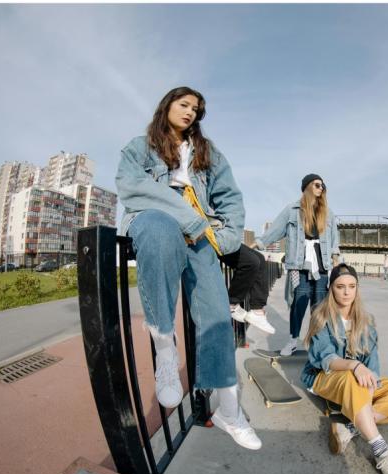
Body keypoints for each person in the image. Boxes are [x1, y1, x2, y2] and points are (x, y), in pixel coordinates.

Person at [115, 86, 261, 450]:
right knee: (161, 233)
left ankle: (228, 409)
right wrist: (189, 219)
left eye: (196, 109)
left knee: (214, 311)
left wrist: (224, 239)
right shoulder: (139, 146)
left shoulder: (209, 154)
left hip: (201, 230)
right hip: (153, 218)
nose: (190, 112)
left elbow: (231, 197)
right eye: (184, 105)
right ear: (167, 105)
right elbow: (132, 187)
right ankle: (165, 347)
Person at [302, 264, 388, 474]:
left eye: (352, 286)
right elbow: (326, 359)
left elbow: (372, 365)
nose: (346, 292)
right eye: (340, 286)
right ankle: (382, 451)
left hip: (354, 381)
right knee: (351, 378)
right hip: (322, 377)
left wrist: (371, 383)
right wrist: (354, 365)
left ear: (357, 289)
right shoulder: (321, 316)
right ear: (331, 289)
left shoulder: (367, 321)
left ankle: (352, 425)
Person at [257, 173, 341, 356]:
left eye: (323, 186)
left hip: (322, 267)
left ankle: (317, 344)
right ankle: (293, 340)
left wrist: (335, 260)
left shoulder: (328, 212)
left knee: (319, 308)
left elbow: (335, 240)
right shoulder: (292, 209)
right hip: (299, 266)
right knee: (298, 304)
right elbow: (275, 230)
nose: (321, 188)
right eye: (317, 185)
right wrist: (258, 243)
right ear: (307, 186)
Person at [225, 244, 275, 334]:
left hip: (228, 236)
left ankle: (257, 311)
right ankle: (232, 304)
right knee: (251, 262)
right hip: (215, 236)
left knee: (260, 258)